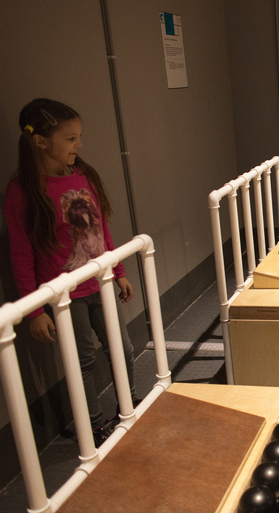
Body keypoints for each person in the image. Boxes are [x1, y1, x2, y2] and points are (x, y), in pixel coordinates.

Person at [4, 98, 138, 446]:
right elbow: (21, 254)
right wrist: (34, 311)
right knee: (83, 360)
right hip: (65, 295)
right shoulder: (22, 191)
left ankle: (129, 403)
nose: (79, 145)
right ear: (40, 141)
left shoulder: (83, 175)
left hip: (101, 281)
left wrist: (118, 270)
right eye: (70, 138)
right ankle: (92, 424)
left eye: (79, 137)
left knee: (121, 348)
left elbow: (101, 228)